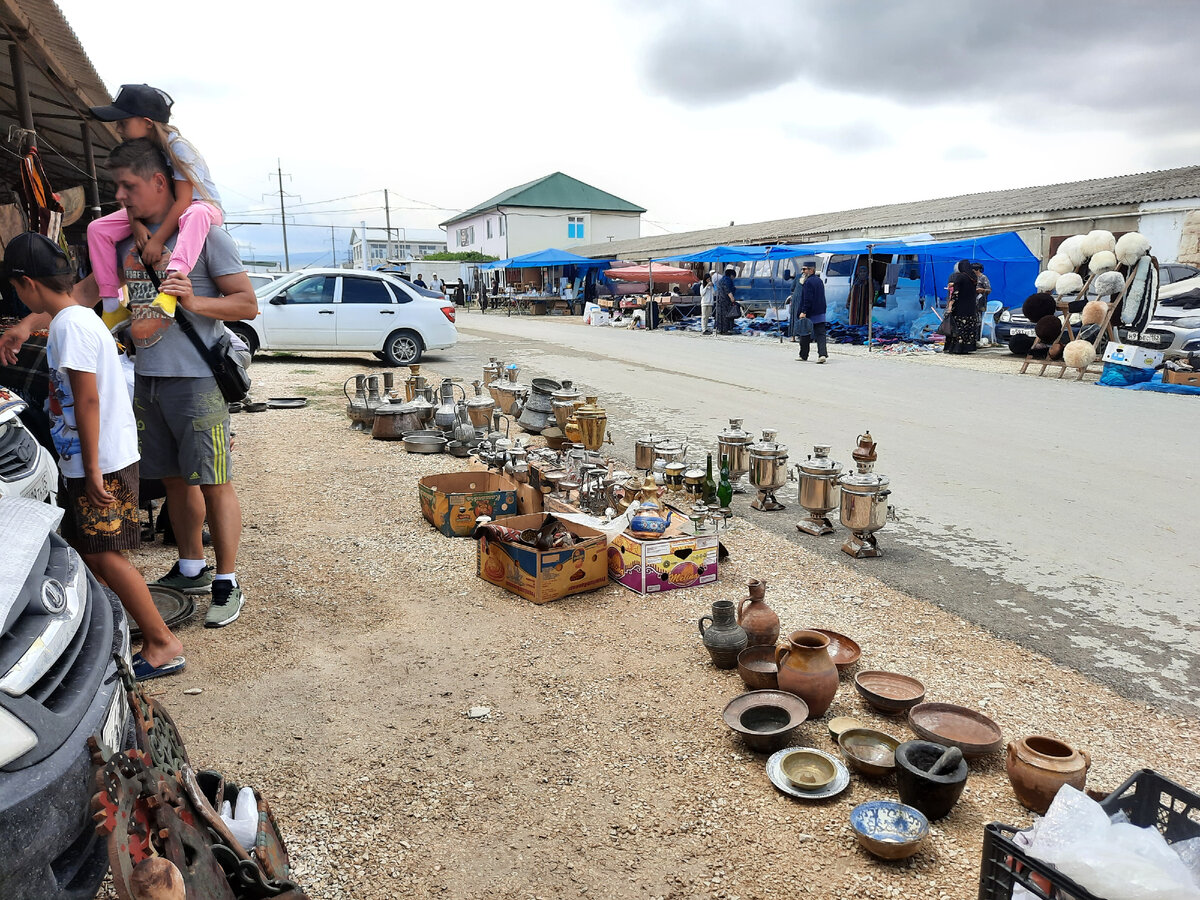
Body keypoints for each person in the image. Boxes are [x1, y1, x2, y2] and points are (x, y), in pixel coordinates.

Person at [3, 232, 185, 678]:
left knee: (106, 555)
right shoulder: (76, 317)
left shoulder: (69, 327)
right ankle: (106, 633)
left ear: (25, 284)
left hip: (99, 460)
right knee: (90, 551)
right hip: (99, 456)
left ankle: (163, 643)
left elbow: (86, 400)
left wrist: (89, 468)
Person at [85, 85, 223, 333]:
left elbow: (183, 201)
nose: (118, 128)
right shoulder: (144, 151)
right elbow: (132, 193)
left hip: (201, 207)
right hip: (157, 210)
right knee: (98, 228)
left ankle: (171, 287)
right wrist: (136, 222)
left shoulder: (178, 147)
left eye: (123, 122)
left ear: (147, 122)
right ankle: (111, 307)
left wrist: (157, 240)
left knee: (196, 213)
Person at [942, 259, 980, 355]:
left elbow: (956, 293)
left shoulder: (960, 277)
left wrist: (950, 305)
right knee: (968, 328)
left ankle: (956, 348)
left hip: (960, 307)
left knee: (957, 327)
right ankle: (966, 348)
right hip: (971, 308)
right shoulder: (973, 277)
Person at [795, 260, 828, 363]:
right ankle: (822, 354)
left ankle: (803, 355)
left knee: (805, 333)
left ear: (811, 270)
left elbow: (807, 299)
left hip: (810, 312)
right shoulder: (819, 281)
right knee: (820, 334)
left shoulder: (808, 282)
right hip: (820, 311)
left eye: (805, 269)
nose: (803, 271)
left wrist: (804, 311)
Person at [715, 266, 738, 335]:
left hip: (720, 300)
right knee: (726, 315)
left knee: (720, 315)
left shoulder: (721, 280)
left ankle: (719, 329)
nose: (733, 278)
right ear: (731, 275)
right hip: (726, 301)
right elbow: (727, 290)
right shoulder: (727, 280)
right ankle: (725, 330)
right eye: (734, 277)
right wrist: (732, 298)